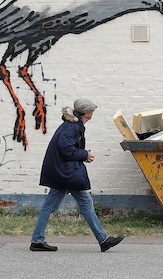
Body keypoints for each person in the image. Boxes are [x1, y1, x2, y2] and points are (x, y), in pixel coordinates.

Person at [29, 98, 124, 253]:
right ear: (86, 113)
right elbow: (65, 148)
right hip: (66, 173)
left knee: (50, 206)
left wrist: (83, 155)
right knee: (85, 202)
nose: (93, 112)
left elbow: (67, 149)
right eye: (92, 110)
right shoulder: (72, 126)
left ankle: (37, 240)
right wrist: (85, 153)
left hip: (63, 172)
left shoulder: (73, 125)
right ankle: (103, 240)